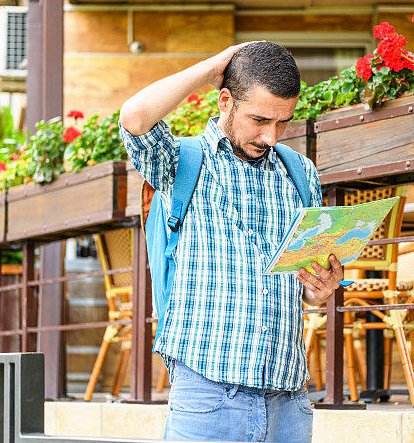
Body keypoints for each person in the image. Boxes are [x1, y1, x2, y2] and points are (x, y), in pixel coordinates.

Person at [119, 41, 343, 442]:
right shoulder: (182, 161)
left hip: (287, 396)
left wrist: (319, 291)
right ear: (225, 101)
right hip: (207, 394)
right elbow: (135, 117)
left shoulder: (300, 172)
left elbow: (305, 283)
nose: (270, 136)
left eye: (282, 123)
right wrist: (211, 66)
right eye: (259, 120)